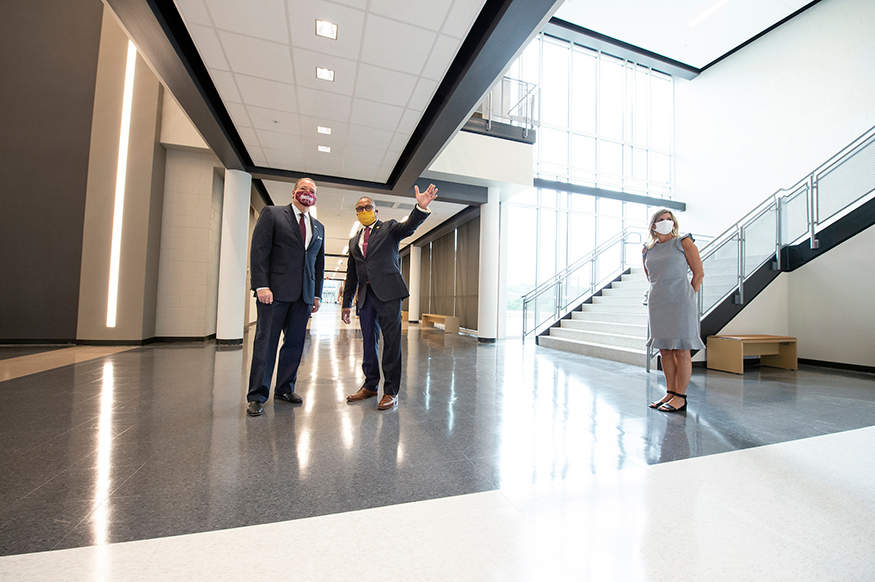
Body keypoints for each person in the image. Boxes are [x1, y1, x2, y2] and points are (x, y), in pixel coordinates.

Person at [342, 184, 439, 410]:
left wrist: (420, 208)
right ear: (357, 214)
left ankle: (391, 391)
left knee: (391, 343)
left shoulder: (389, 228)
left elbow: (408, 227)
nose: (364, 210)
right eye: (359, 208)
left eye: (368, 207)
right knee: (368, 342)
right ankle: (370, 385)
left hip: (388, 295)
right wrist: (346, 303)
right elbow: (352, 273)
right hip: (365, 298)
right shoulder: (353, 241)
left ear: (376, 211)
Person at [245, 178, 325, 417]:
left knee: (294, 344)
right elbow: (259, 250)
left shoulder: (318, 227)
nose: (307, 193)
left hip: (303, 296)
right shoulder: (273, 214)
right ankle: (257, 395)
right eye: (303, 189)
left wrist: (317, 295)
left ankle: (284, 388)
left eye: (312, 191)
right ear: (293, 192)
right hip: (274, 293)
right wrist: (261, 285)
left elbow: (317, 264)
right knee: (266, 343)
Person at [643, 208, 705, 413]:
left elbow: (698, 274)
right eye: (661, 220)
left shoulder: (684, 243)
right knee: (665, 350)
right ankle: (670, 392)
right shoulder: (647, 250)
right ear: (653, 225)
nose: (665, 222)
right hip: (658, 303)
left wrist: (686, 296)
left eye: (669, 219)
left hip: (680, 302)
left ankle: (680, 396)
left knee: (681, 349)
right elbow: (651, 277)